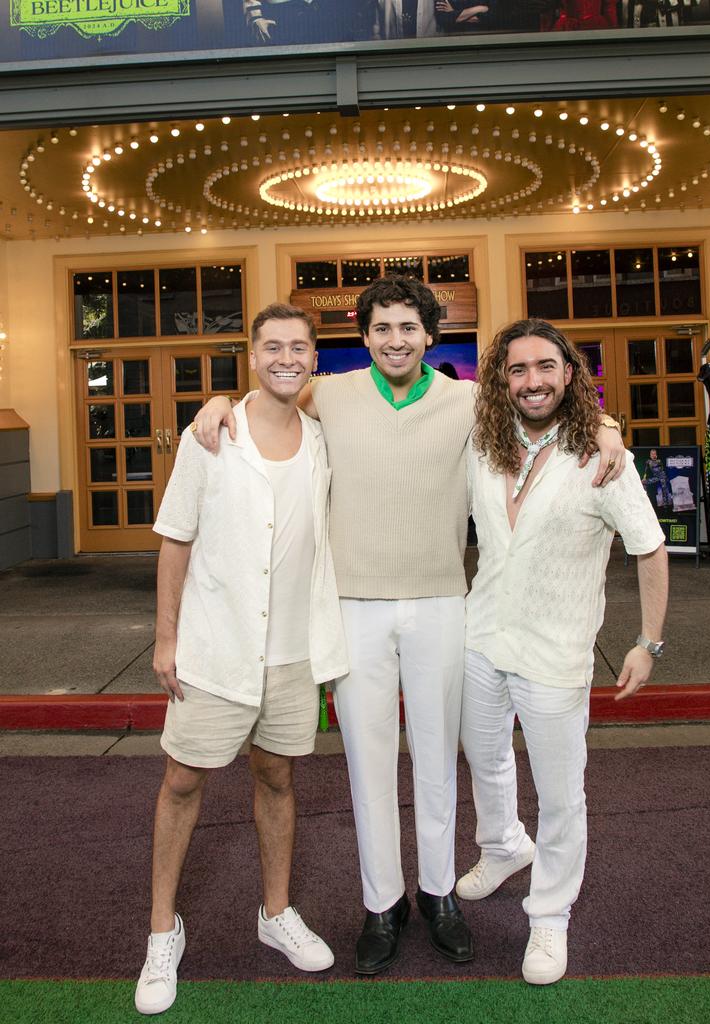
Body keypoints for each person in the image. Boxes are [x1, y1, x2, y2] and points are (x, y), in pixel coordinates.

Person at [193, 277, 626, 976]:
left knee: (436, 758)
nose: (396, 339)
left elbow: (548, 411)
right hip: (354, 606)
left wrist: (607, 426)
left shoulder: (467, 401)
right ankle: (381, 904)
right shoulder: (329, 392)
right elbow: (266, 404)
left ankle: (437, 897)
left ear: (429, 336)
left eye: (409, 328)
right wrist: (218, 401)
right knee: (367, 763)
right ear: (363, 336)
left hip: (439, 603)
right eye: (382, 328)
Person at [135, 303, 347, 1015]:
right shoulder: (212, 434)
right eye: (273, 347)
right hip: (214, 648)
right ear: (252, 356)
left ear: (314, 358)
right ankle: (162, 930)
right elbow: (175, 539)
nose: (287, 358)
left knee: (277, 779)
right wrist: (166, 640)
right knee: (183, 783)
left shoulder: (324, 439)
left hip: (293, 655)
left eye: (300, 348)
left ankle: (275, 912)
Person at [457, 317, 667, 986]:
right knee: (485, 760)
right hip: (482, 635)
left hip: (555, 651)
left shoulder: (603, 457)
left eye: (545, 366)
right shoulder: (483, 443)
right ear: (502, 380)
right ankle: (502, 847)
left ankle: (549, 915)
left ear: (568, 373)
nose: (532, 380)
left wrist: (647, 642)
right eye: (517, 370)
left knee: (560, 793)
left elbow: (650, 547)